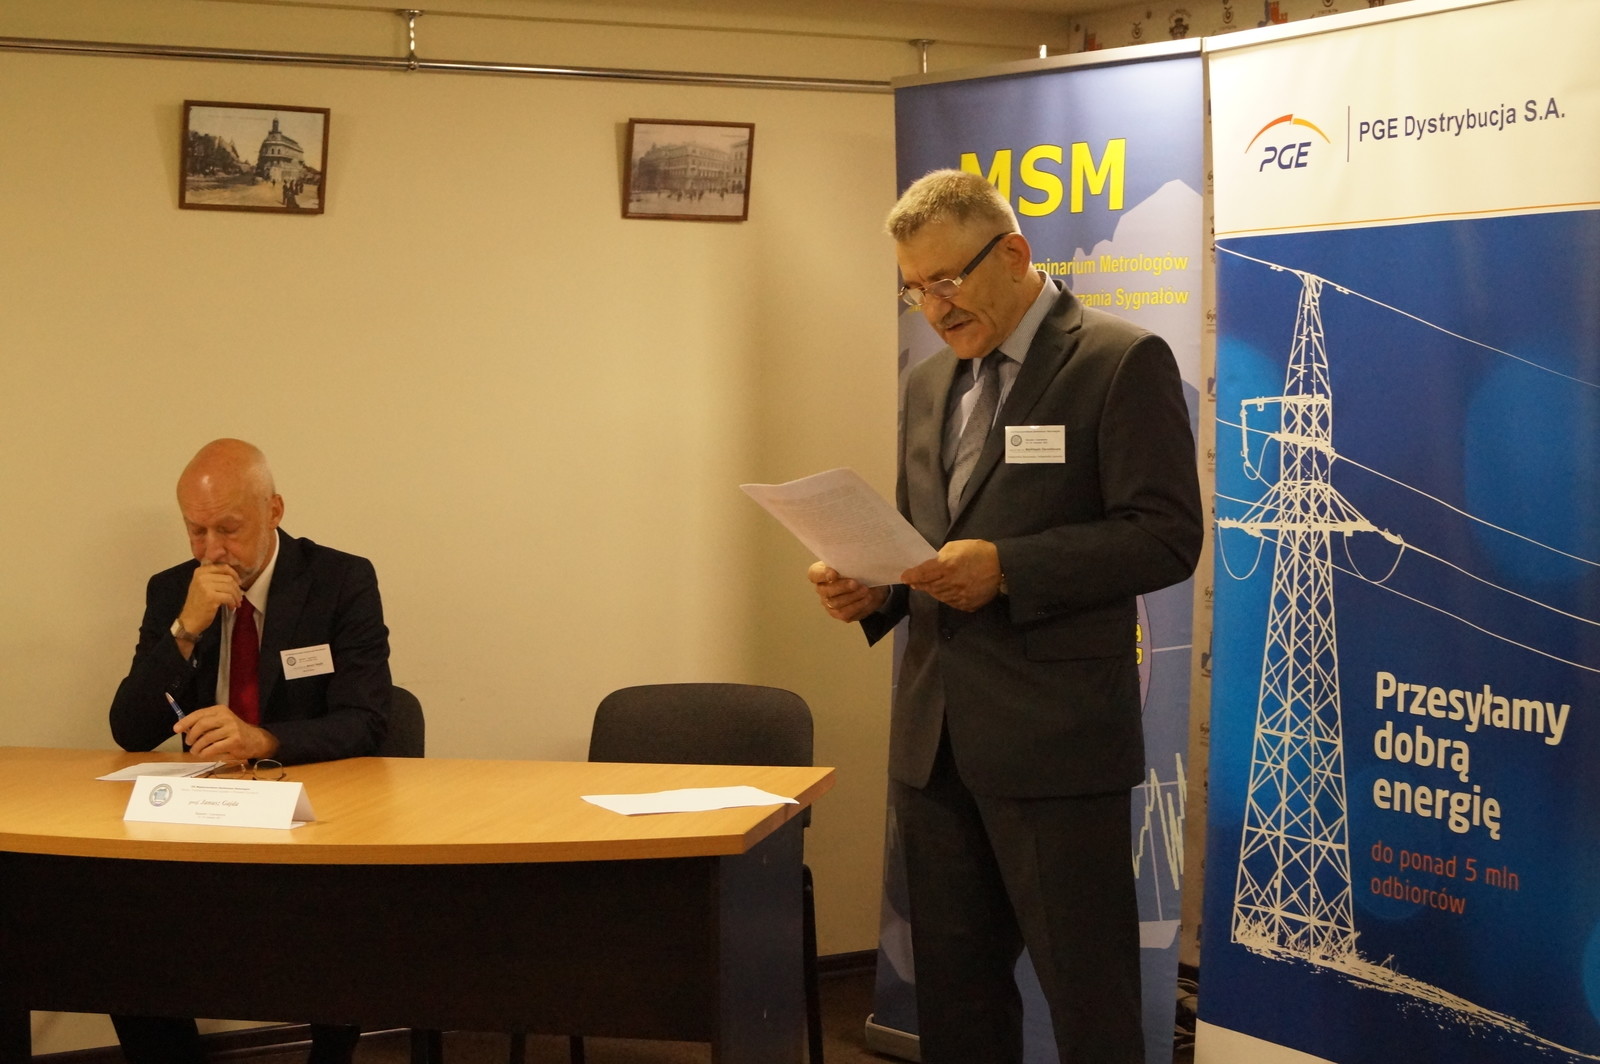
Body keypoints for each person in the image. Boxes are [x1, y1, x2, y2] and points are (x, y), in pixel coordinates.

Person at [809, 169, 1202, 1064]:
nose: (933, 308)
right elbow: (926, 542)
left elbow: (1165, 537)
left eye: (947, 280)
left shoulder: (1118, 360)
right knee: (958, 1008)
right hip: (936, 747)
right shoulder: (927, 383)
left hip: (1056, 747)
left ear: (1015, 254)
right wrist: (876, 588)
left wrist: (1011, 569)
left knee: (1090, 1005)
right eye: (914, 289)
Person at [108, 438, 392, 1064]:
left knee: (340, 926)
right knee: (119, 926)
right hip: (202, 813)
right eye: (196, 530)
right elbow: (130, 729)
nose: (213, 550)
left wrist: (264, 739)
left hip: (309, 818)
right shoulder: (173, 591)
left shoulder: (340, 581)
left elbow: (367, 720)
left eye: (229, 530)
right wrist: (185, 630)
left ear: (274, 511)